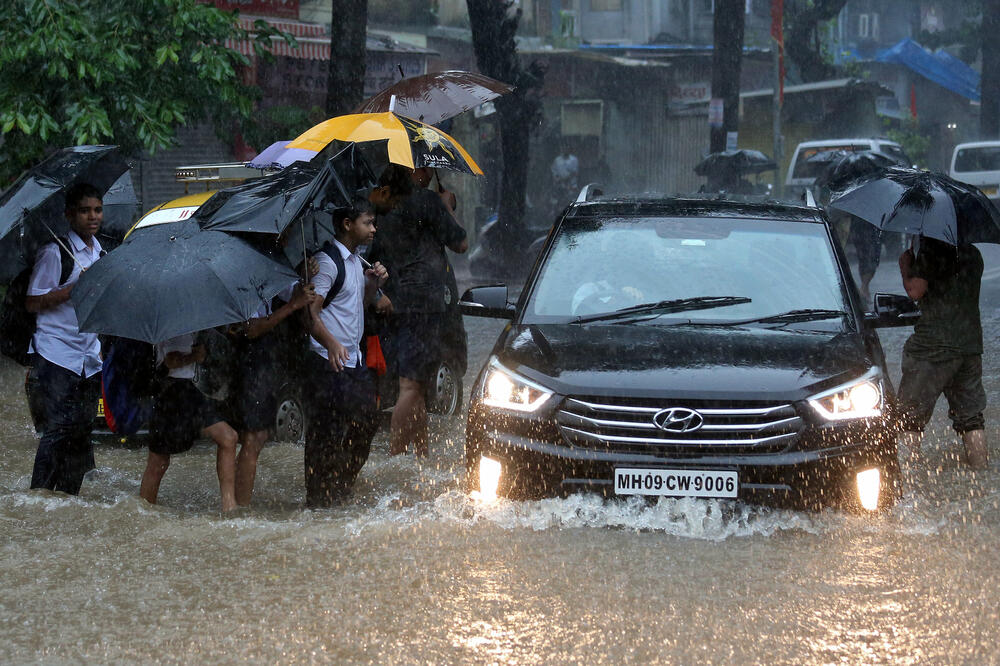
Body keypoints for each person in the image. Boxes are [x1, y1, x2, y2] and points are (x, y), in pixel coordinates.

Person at [369, 166, 468, 457]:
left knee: (418, 386)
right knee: (411, 386)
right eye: (426, 167)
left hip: (394, 302)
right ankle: (395, 459)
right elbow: (461, 242)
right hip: (423, 304)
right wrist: (447, 207)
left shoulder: (381, 210)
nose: (429, 171)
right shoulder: (426, 201)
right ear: (415, 170)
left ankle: (421, 456)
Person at [303, 197, 389, 507]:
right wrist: (331, 344)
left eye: (373, 223)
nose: (373, 229)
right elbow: (309, 314)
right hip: (327, 362)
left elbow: (358, 307)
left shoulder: (357, 262)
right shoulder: (326, 263)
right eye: (368, 223)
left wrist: (372, 286)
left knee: (367, 421)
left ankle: (340, 486)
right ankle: (318, 500)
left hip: (353, 360)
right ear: (347, 224)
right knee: (325, 433)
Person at [24, 183, 106, 495]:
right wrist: (74, 289)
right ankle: (39, 496)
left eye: (97, 210)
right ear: (70, 216)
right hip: (55, 353)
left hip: (88, 355)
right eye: (85, 211)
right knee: (56, 428)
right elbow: (33, 302)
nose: (93, 216)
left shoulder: (101, 252)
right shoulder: (54, 252)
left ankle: (69, 495)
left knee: (82, 430)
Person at [896, 236, 988, 469]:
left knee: (909, 419)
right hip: (969, 345)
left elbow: (915, 291)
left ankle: (907, 481)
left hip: (932, 347)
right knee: (971, 419)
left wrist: (906, 266)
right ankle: (981, 472)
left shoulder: (932, 251)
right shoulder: (973, 254)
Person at [230, 280, 317, 507]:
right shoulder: (241, 277)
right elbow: (251, 328)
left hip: (267, 359)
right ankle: (240, 506)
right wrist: (292, 306)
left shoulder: (269, 266)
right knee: (252, 437)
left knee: (257, 437)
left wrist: (305, 279)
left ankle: (236, 502)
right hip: (248, 360)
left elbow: (291, 291)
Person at [139, 333, 240, 511]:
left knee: (228, 437)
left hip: (186, 391)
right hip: (170, 393)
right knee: (159, 461)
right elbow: (170, 361)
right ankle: (144, 509)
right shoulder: (172, 322)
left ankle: (229, 507)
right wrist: (196, 356)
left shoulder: (189, 321)